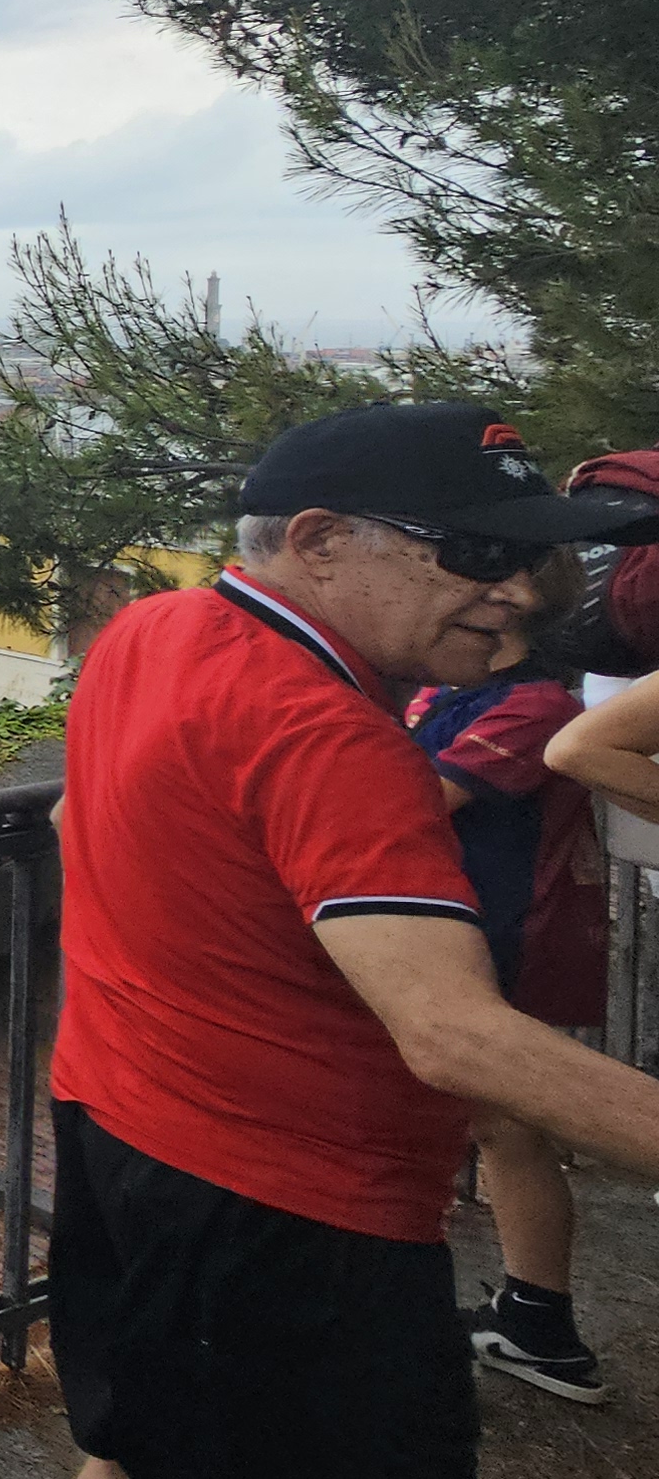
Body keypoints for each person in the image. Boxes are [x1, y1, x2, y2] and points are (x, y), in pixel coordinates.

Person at [50, 402, 659, 1479]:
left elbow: (72, 822)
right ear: (321, 539)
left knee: (141, 1435)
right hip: (296, 1206)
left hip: (119, 1122)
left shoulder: (154, 628)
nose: (521, 592)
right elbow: (450, 1032)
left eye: (527, 559)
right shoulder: (330, 735)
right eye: (479, 552)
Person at [402, 571, 605, 1405]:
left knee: (503, 1125)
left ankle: (540, 1323)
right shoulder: (445, 692)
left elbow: (417, 799)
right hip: (454, 929)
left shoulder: (535, 707)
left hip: (499, 939)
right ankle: (536, 1320)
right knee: (500, 1128)